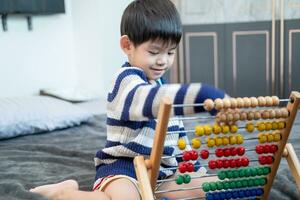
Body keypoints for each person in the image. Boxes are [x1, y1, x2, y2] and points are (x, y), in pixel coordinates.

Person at [30, 0, 226, 199]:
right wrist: (202, 94)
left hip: (161, 173)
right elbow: (148, 101)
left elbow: (178, 135)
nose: (163, 60)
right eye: (154, 52)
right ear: (127, 45)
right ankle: (64, 193)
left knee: (214, 187)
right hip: (124, 169)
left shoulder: (160, 85)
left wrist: (192, 167)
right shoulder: (126, 81)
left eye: (170, 52)